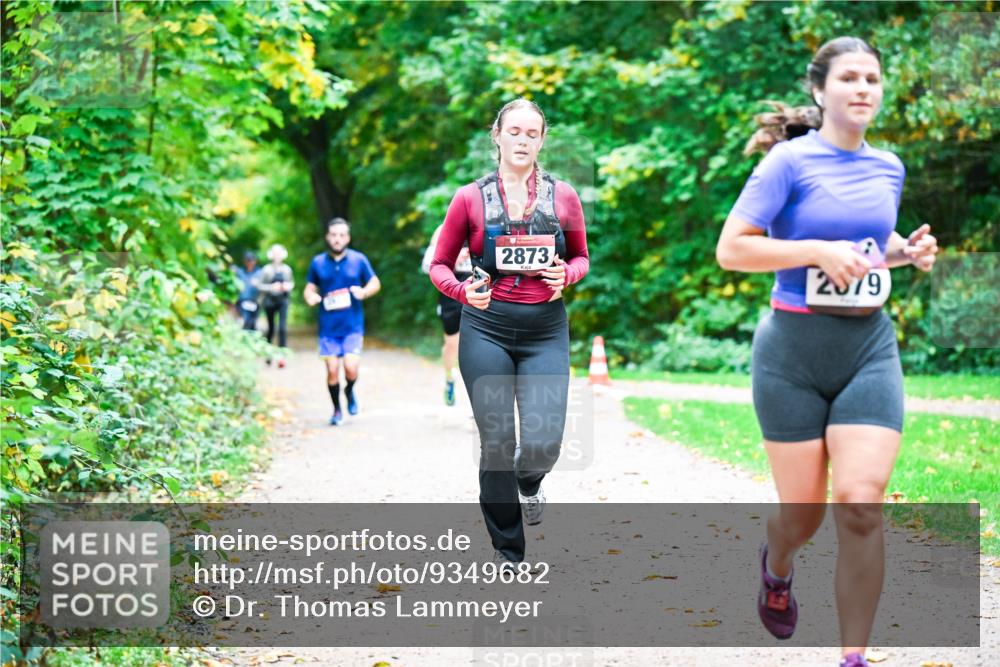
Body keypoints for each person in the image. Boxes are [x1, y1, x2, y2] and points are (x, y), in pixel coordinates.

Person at [715, 37, 938, 667]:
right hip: (791, 353)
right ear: (820, 90)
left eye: (873, 78)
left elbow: (866, 247)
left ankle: (853, 658)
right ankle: (777, 563)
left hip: (868, 347)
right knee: (803, 516)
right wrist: (814, 250)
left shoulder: (888, 166)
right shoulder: (788, 162)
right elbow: (733, 250)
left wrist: (905, 253)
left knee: (861, 503)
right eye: (850, 78)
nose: (864, 88)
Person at [429, 98, 590, 565]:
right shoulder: (469, 197)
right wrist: (462, 293)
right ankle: (508, 550)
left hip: (544, 330)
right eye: (513, 131)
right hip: (487, 328)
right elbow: (440, 264)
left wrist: (569, 276)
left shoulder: (563, 196)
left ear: (542, 140)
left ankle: (530, 481)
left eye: (532, 133)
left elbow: (580, 257)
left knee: (543, 441)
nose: (522, 140)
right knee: (497, 440)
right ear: (496, 135)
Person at [303, 218, 381, 426]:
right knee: (331, 370)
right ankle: (337, 409)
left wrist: (364, 292)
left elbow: (375, 282)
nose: (337, 239)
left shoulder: (358, 260)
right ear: (328, 237)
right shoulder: (318, 262)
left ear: (347, 238)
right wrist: (311, 297)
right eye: (334, 235)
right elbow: (309, 288)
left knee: (350, 368)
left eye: (341, 235)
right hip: (328, 328)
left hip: (352, 326)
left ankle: (349, 390)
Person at [421, 224, 472, 406]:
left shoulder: (487, 226)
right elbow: (427, 265)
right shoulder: (444, 229)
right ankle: (450, 378)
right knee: (452, 345)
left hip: (481, 293)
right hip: (451, 295)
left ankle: (480, 394)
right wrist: (453, 259)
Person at [259, 243, 294, 368]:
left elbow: (291, 284)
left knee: (283, 328)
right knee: (271, 329)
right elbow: (260, 286)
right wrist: (271, 288)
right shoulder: (266, 269)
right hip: (270, 302)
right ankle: (268, 355)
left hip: (283, 301)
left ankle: (282, 357)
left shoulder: (287, 269)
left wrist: (286, 287)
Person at [234, 251, 262, 333]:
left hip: (255, 301)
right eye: (248, 260)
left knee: (253, 323)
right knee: (245, 321)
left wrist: (258, 284)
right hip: (242, 301)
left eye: (252, 260)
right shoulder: (240, 272)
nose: (250, 263)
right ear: (245, 261)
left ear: (255, 261)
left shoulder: (259, 272)